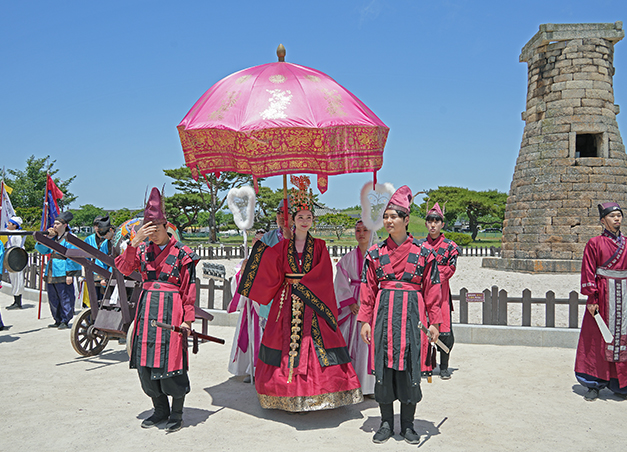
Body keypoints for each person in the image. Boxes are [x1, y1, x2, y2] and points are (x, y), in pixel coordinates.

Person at [237, 176, 363, 412]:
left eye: (308, 217)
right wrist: (255, 254)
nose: (304, 221)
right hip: (285, 302)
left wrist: (302, 288)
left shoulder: (320, 247)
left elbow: (324, 275)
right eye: (300, 217)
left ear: (313, 221)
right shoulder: (282, 246)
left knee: (317, 344)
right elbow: (270, 269)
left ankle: (324, 393)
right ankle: (281, 394)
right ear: (293, 220)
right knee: (282, 343)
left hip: (312, 304)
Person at [358, 185, 442, 444]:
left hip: (412, 318)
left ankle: (408, 425)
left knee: (410, 368)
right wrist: (364, 320)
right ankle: (384, 423)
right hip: (383, 316)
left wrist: (436, 321)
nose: (388, 221)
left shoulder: (425, 254)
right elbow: (367, 288)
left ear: (406, 220)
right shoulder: (374, 254)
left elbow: (433, 289)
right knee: (383, 368)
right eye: (385, 216)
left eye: (393, 216)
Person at [115, 187, 200, 433]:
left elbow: (189, 289)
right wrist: (134, 241)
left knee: (171, 362)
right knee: (146, 362)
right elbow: (124, 268)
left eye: (156, 230)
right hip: (147, 311)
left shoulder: (184, 254)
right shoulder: (140, 250)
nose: (153, 236)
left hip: (171, 311)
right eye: (148, 231)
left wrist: (188, 321)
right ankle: (159, 410)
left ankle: (177, 413)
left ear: (167, 226)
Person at [575, 202, 627, 401]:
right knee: (598, 338)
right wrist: (592, 296)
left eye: (619, 216)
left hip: (624, 295)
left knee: (623, 337)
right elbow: (588, 270)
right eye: (612, 216)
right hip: (604, 296)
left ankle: (620, 383)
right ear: (603, 220)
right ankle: (593, 383)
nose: (616, 219)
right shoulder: (594, 243)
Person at [334, 219, 376, 395]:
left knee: (370, 343)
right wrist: (350, 302)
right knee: (351, 341)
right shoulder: (348, 258)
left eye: (365, 230)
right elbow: (340, 280)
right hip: (354, 302)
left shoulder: (378, 255)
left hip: (373, 299)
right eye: (358, 230)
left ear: (371, 233)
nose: (361, 234)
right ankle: (352, 383)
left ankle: (371, 386)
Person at [419, 203, 459, 380]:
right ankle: (424, 365)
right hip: (422, 292)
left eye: (437, 221)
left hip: (441, 293)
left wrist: (432, 277)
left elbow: (451, 269)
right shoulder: (419, 246)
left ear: (442, 224)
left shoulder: (451, 246)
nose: (433, 224)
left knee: (445, 332)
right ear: (426, 224)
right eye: (430, 221)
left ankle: (444, 366)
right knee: (421, 329)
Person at [227, 229, 265, 381]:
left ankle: (261, 369)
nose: (259, 244)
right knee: (251, 336)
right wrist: (242, 273)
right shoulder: (245, 260)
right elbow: (236, 279)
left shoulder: (271, 259)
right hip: (250, 306)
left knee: (263, 337)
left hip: (265, 305)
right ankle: (251, 368)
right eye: (257, 241)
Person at [34, 211, 82, 329]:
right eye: (54, 223)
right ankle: (57, 319)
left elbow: (73, 257)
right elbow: (43, 250)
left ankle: (65, 320)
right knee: (53, 297)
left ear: (64, 225)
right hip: (51, 269)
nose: (54, 226)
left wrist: (70, 274)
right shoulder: (53, 238)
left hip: (63, 269)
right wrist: (47, 238)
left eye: (57, 224)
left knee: (65, 296)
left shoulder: (70, 238)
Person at [257, 199, 293, 324]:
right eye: (279, 212)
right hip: (271, 295)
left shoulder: (302, 238)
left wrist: (290, 241)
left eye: (287, 212)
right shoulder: (267, 238)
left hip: (294, 296)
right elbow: (259, 264)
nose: (282, 216)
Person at [83, 215, 115, 301]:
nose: (105, 237)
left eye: (105, 235)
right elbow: (101, 261)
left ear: (111, 230)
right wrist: (103, 276)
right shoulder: (105, 243)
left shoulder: (121, 240)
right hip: (105, 274)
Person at [5, 216, 27, 310]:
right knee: (13, 281)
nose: (8, 225)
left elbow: (18, 249)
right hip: (12, 261)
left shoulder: (16, 235)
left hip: (17, 261)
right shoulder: (11, 234)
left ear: (14, 225)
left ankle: (18, 303)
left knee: (18, 281)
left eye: (10, 223)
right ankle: (15, 301)